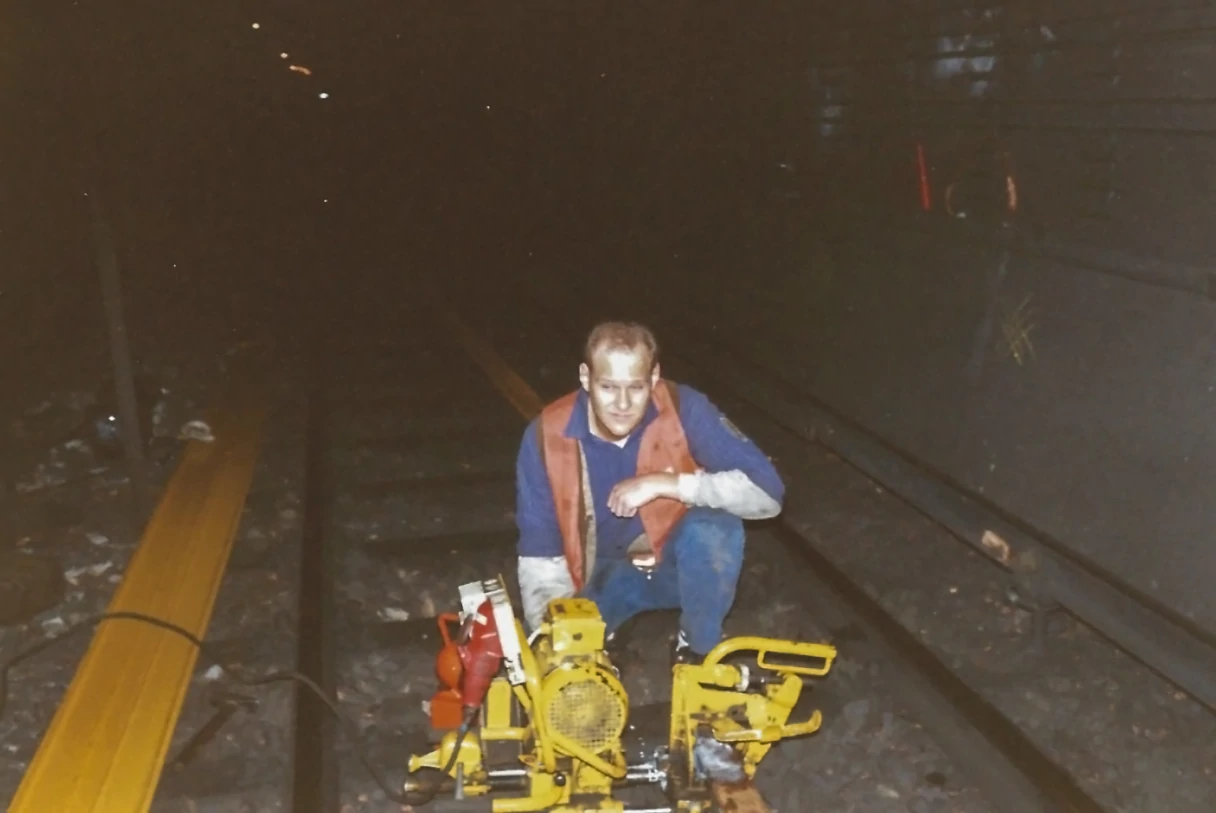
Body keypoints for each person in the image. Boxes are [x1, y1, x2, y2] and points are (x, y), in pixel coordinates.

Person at [514, 320, 785, 664]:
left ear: (654, 378)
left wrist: (666, 484)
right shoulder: (545, 435)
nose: (623, 403)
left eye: (636, 387)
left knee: (716, 528)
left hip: (669, 566)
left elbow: (768, 494)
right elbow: (540, 550)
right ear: (586, 378)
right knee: (546, 655)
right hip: (593, 576)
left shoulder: (683, 407)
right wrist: (555, 637)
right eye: (608, 386)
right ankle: (603, 628)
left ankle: (697, 652)